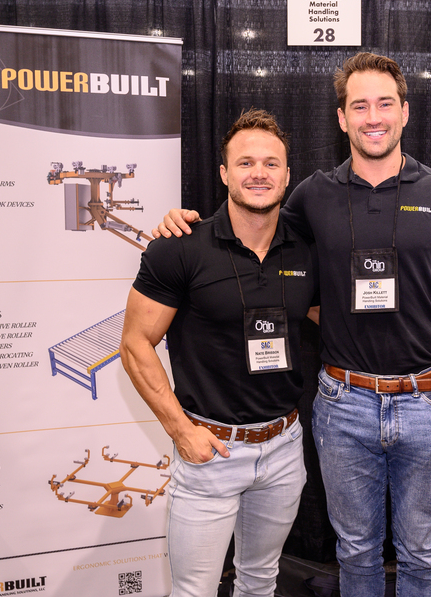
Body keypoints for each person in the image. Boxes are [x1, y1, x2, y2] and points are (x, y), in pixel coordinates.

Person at [155, 52, 431, 597]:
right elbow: (256, 236)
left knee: (422, 552)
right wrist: (185, 223)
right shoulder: (312, 195)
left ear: (405, 111)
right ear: (341, 118)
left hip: (427, 401)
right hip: (343, 405)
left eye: (385, 104)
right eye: (359, 106)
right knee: (354, 551)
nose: (373, 117)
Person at [120, 108, 318, 597]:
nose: (259, 173)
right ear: (225, 173)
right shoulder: (180, 248)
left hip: (283, 448)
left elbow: (337, 321)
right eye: (245, 163)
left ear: (287, 176)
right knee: (194, 590)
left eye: (271, 164)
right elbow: (135, 344)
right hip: (210, 452)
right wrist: (181, 432)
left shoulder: (307, 249)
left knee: (261, 581)